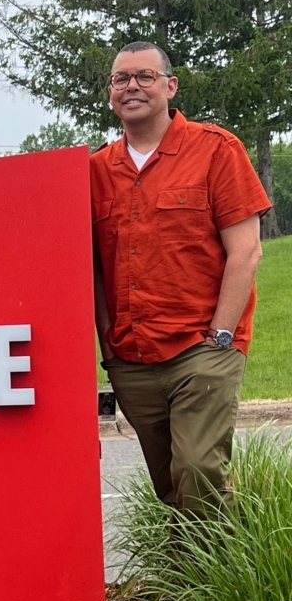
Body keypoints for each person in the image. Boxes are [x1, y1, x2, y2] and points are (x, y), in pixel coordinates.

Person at [91, 41, 270, 530]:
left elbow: (246, 251)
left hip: (202, 348)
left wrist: (222, 336)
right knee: (170, 483)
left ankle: (222, 584)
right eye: (120, 79)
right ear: (110, 94)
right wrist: (110, 344)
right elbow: (94, 269)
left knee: (199, 469)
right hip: (132, 357)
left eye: (144, 76)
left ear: (169, 86)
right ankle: (187, 586)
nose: (132, 86)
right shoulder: (94, 171)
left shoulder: (217, 150)